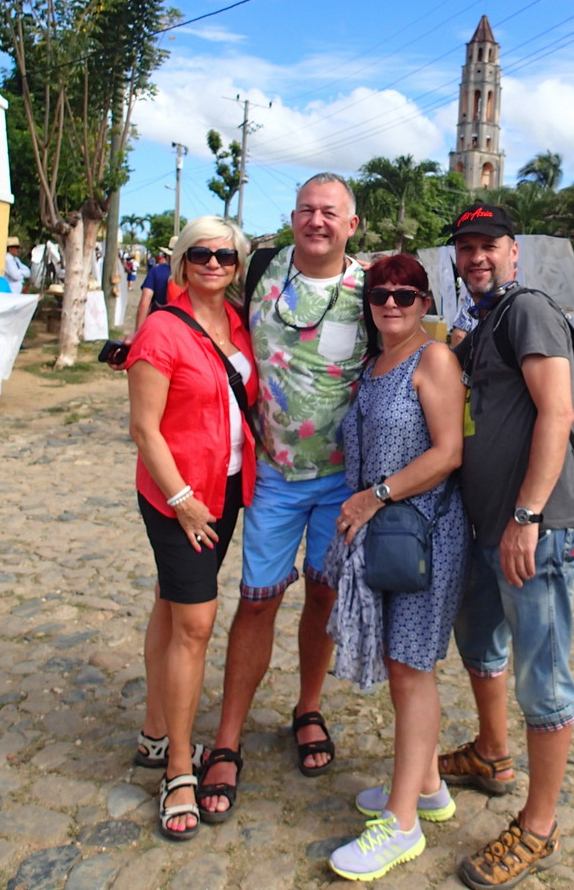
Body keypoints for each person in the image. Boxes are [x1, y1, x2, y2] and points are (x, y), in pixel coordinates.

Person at [198, 173, 367, 818]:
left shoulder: (374, 289)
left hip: (342, 483)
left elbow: (408, 356)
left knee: (323, 594)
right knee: (257, 602)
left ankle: (308, 707)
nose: (317, 220)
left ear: (352, 225)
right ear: (293, 218)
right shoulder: (261, 269)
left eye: (330, 212)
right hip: (271, 475)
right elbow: (204, 304)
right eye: (307, 210)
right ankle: (227, 738)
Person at [439, 202, 574, 890]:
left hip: (537, 528)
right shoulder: (485, 321)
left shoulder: (527, 310)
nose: (476, 256)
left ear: (512, 252)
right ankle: (492, 753)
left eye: (488, 245)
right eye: (465, 247)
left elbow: (557, 411)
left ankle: (539, 826)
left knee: (542, 676)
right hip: (486, 525)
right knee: (479, 643)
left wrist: (526, 515)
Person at [327, 255, 469, 881]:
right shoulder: (375, 363)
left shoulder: (433, 359)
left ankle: (403, 822)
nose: (391, 303)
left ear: (424, 302)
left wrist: (373, 497)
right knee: (400, 663)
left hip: (424, 533)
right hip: (387, 534)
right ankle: (427, 787)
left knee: (411, 670)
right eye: (380, 293)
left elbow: (448, 452)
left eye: (405, 295)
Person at [126, 216, 258, 841]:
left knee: (172, 603)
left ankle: (156, 733)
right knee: (196, 623)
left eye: (225, 256)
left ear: (237, 266)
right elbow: (144, 428)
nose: (213, 263)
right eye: (201, 253)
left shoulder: (237, 323)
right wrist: (181, 500)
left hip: (225, 487)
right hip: (178, 496)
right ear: (181, 260)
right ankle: (179, 769)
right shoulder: (161, 329)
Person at [134, 246, 173, 332]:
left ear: (168, 256)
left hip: (156, 325)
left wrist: (137, 332)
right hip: (182, 328)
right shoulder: (190, 274)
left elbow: (144, 303)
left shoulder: (156, 271)